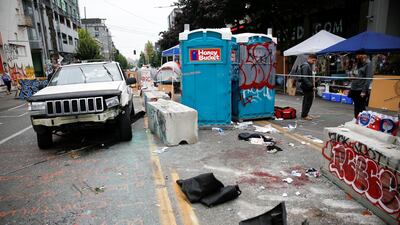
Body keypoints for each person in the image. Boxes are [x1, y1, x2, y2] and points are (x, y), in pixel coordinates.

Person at [349, 54, 373, 118]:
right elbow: (352, 72)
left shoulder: (368, 64)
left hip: (361, 89)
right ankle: (356, 119)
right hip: (354, 88)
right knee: (356, 106)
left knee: (361, 107)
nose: (357, 57)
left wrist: (364, 91)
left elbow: (368, 79)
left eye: (359, 56)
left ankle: (363, 121)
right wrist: (351, 75)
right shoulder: (356, 64)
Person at [299, 54, 317, 120]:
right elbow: (305, 78)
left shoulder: (307, 65)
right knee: (308, 101)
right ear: (309, 58)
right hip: (307, 86)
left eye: (315, 61)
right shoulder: (306, 65)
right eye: (313, 60)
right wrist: (311, 86)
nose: (314, 62)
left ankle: (305, 114)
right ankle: (304, 115)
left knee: (307, 100)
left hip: (306, 86)